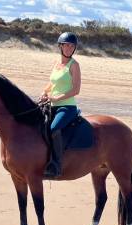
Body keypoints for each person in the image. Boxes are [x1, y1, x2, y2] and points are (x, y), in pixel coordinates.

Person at [39, 32, 81, 177]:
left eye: (72, 46)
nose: (69, 48)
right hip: (51, 104)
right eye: (66, 45)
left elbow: (76, 89)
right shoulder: (57, 63)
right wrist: (45, 92)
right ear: (60, 46)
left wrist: (58, 98)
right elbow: (52, 82)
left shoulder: (74, 65)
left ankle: (56, 164)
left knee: (54, 128)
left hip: (67, 107)